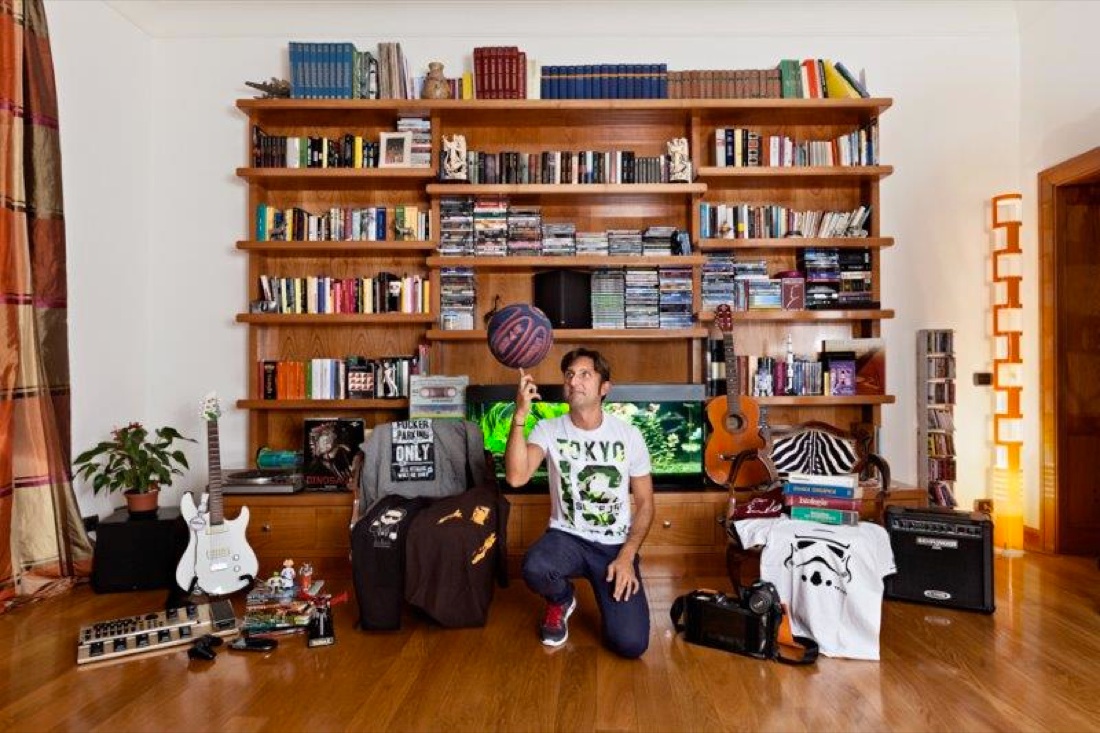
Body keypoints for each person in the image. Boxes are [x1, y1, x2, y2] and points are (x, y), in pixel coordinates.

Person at [504, 347, 654, 658]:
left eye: (585, 374)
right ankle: (561, 599)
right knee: (535, 567)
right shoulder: (548, 429)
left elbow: (645, 504)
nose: (574, 381)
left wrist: (627, 556)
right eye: (569, 375)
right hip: (567, 538)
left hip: (613, 547)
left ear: (604, 388)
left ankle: (615, 591)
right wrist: (520, 417)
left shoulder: (629, 435)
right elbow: (516, 477)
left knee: (630, 644)